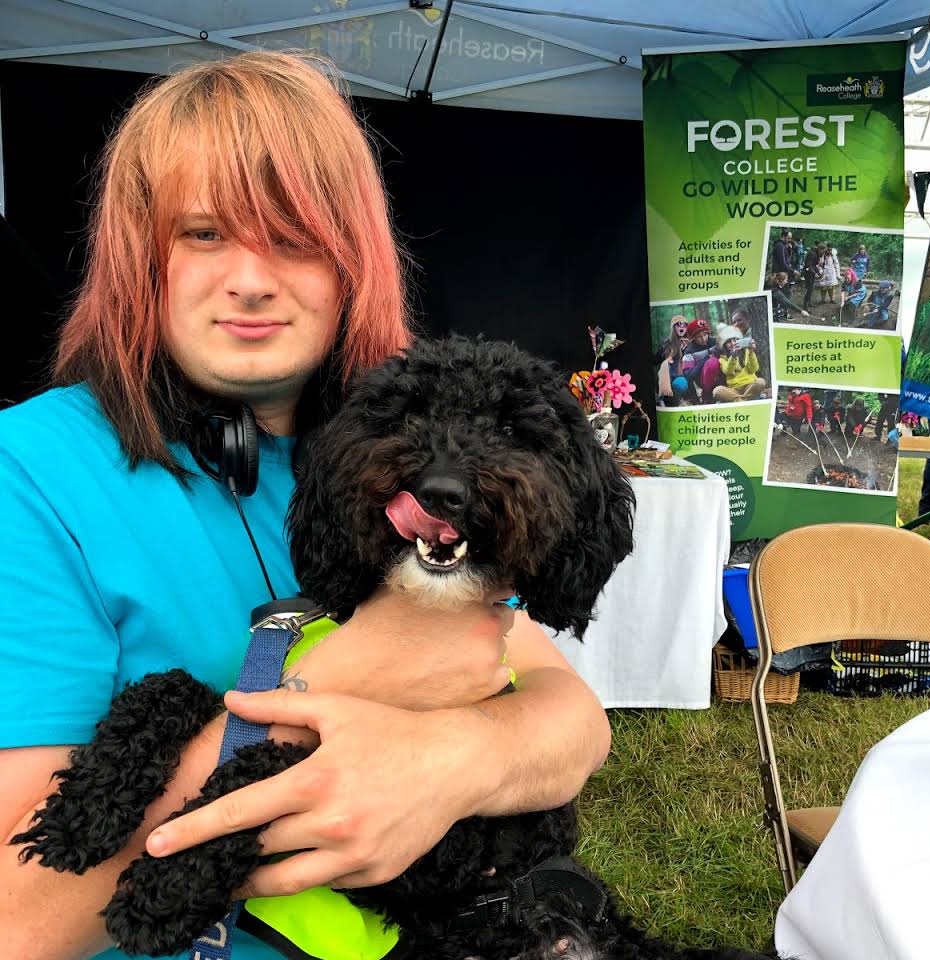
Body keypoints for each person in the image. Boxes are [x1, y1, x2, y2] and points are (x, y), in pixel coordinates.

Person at [0, 52, 611, 959]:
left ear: (351, 262)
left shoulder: (387, 451)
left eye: (293, 237)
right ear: (140, 256)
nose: (251, 279)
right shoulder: (33, 473)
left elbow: (573, 716)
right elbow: (18, 921)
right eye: (203, 234)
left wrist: (448, 765)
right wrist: (333, 686)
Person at [712, 325, 766, 402]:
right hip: (734, 390)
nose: (732, 343)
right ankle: (747, 400)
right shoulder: (722, 358)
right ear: (724, 345)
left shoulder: (747, 352)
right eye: (728, 342)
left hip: (750, 385)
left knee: (761, 382)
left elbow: (754, 369)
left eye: (734, 340)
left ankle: (740, 401)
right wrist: (733, 356)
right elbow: (728, 371)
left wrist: (751, 352)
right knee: (717, 391)